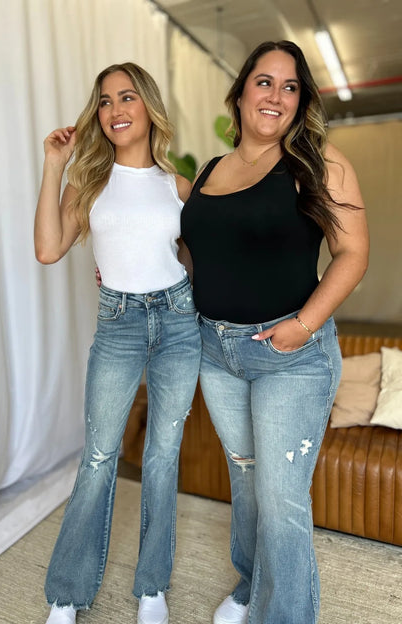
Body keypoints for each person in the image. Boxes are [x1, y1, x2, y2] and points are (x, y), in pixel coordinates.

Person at [180, 40, 369, 624]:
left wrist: (303, 326)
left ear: (300, 101)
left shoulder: (321, 163)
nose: (276, 96)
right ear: (239, 94)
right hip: (217, 349)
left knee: (281, 498)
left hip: (292, 354)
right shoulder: (209, 171)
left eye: (291, 87)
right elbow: (199, 257)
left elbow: (353, 254)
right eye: (265, 82)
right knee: (245, 480)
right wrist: (139, 270)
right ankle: (250, 585)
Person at [34, 62, 201, 624]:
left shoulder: (179, 187)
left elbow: (194, 263)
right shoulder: (89, 184)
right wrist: (54, 166)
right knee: (100, 456)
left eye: (126, 97)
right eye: (104, 101)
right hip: (119, 326)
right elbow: (48, 249)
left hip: (178, 324)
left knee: (162, 457)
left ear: (148, 106)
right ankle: (66, 594)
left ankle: (152, 587)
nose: (114, 110)